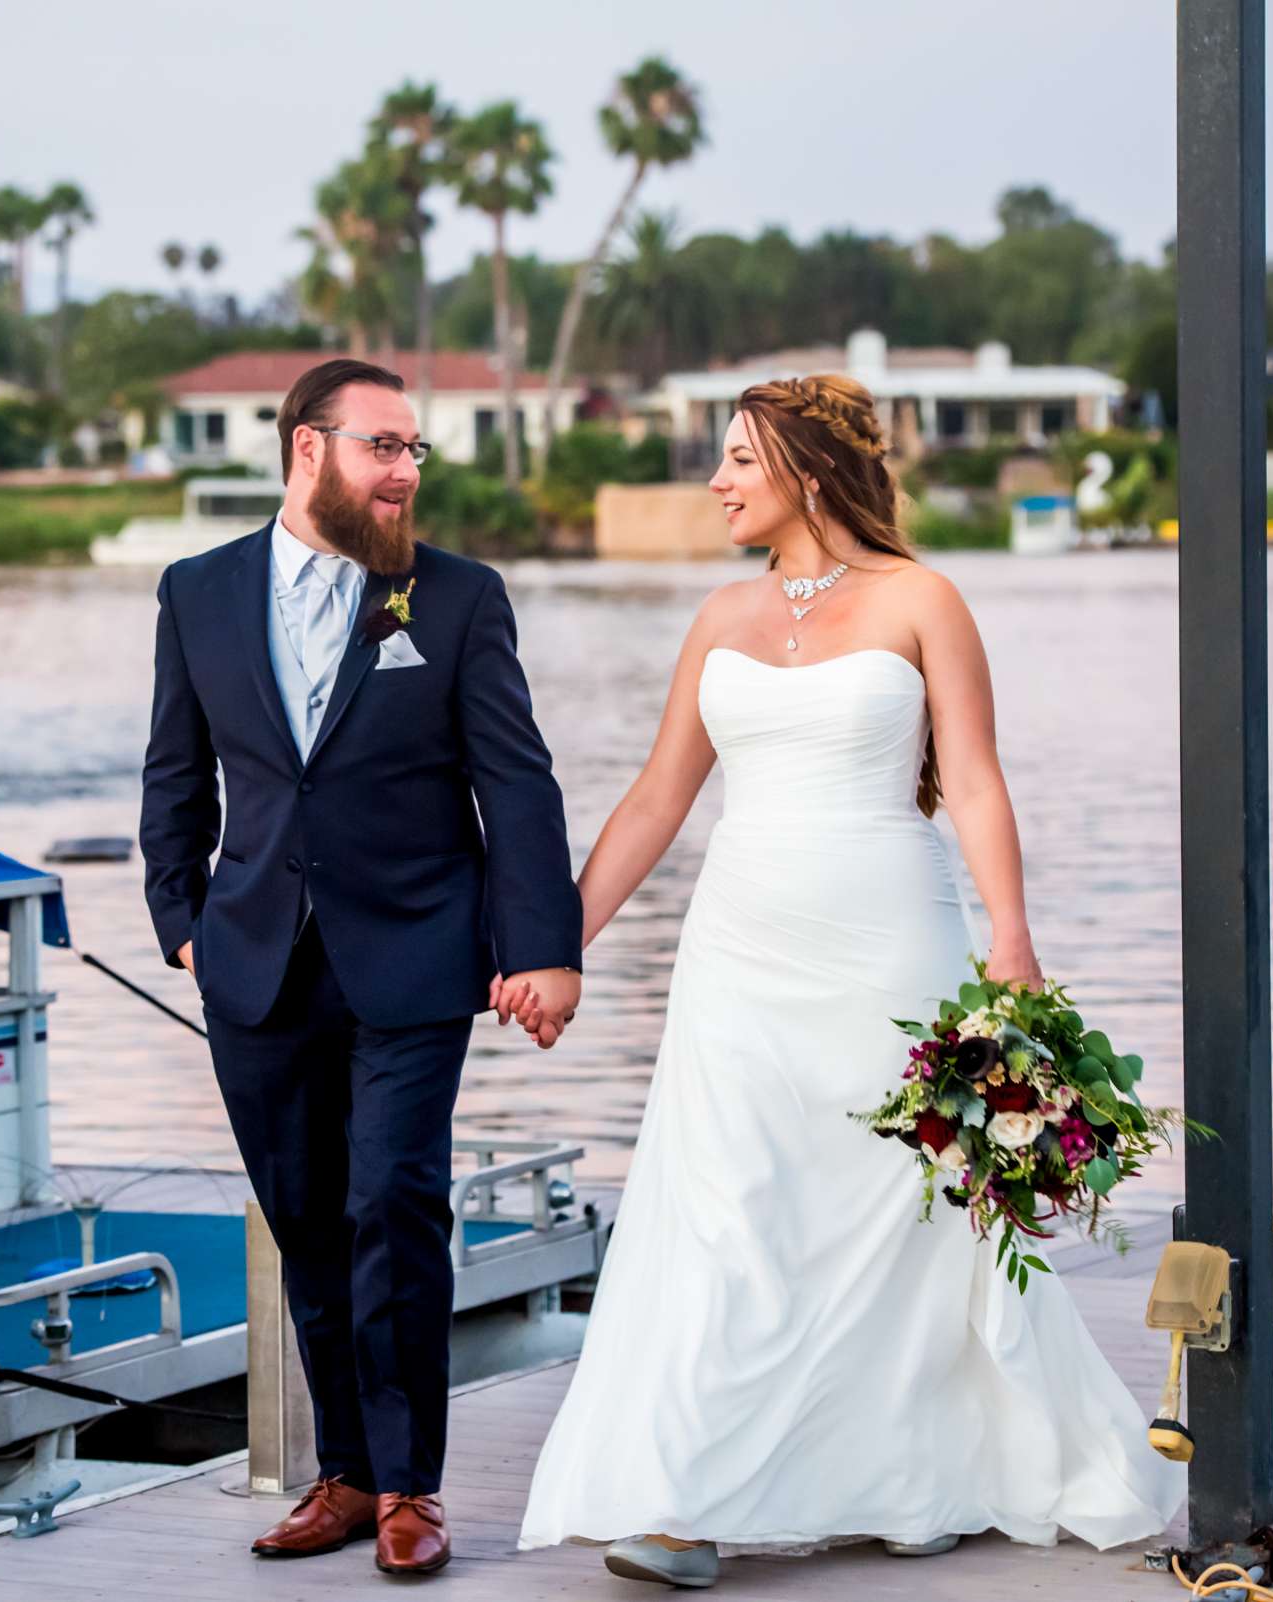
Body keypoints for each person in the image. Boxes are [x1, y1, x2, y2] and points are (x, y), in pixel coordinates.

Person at [508, 376, 1185, 1588]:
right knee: (729, 1208)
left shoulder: (924, 599)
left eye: (737, 462)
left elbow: (971, 780)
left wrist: (1012, 939)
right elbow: (660, 800)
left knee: (894, 1216)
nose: (716, 482)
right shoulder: (719, 616)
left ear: (807, 472)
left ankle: (907, 1470)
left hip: (890, 945)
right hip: (737, 953)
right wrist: (559, 946)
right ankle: (685, 1501)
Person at [138, 358, 583, 1577]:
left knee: (392, 1201)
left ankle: (410, 1488)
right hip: (256, 964)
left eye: (413, 451)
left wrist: (543, 947)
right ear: (307, 451)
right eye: (383, 447)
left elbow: (516, 781)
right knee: (304, 1222)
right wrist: (181, 917)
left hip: (416, 955)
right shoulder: (198, 592)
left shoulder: (453, 598)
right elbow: (175, 774)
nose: (405, 472)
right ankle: (339, 1472)